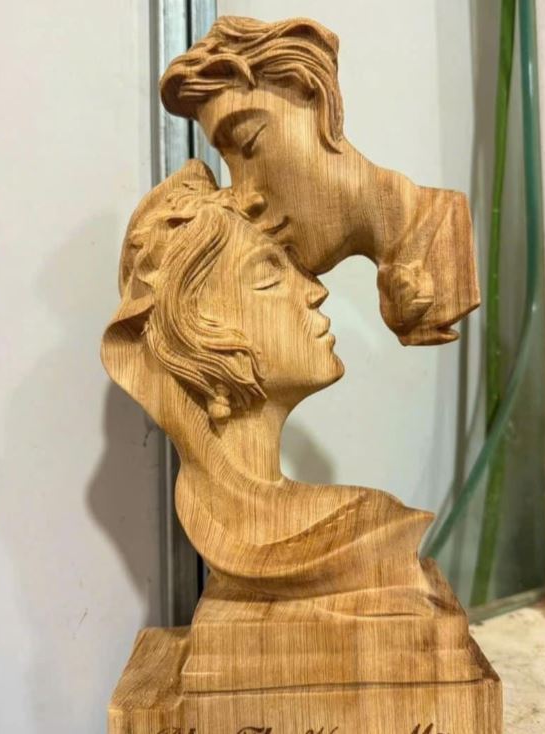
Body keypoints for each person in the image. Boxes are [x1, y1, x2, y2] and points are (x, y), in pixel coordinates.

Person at [102, 159, 433, 605]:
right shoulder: (360, 532)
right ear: (198, 332)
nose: (315, 290)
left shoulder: (369, 522)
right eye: (268, 276)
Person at [160, 16, 480, 346]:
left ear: (311, 93)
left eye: (247, 141)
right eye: (229, 164)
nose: (245, 198)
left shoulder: (448, 243)